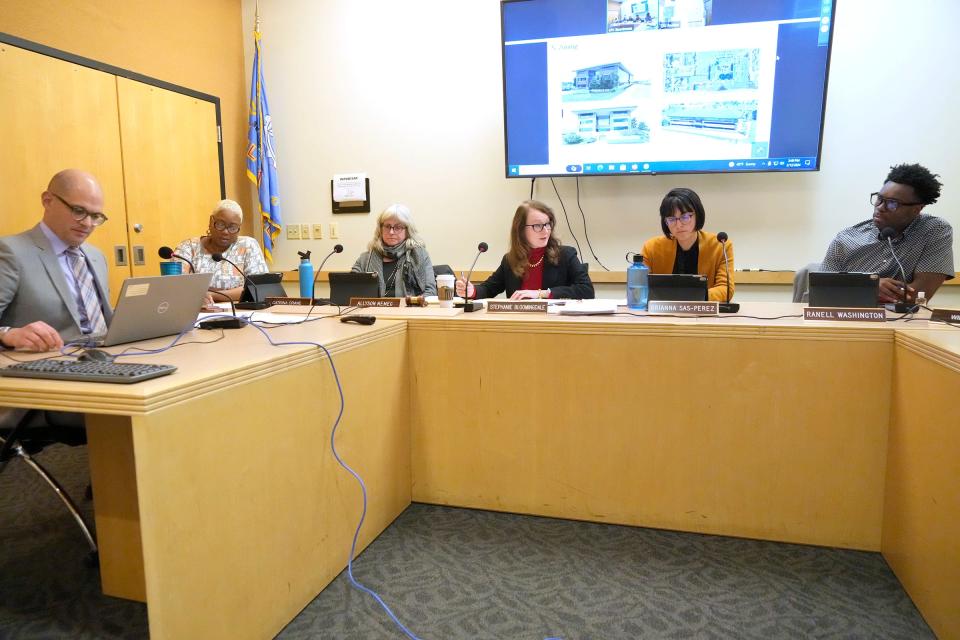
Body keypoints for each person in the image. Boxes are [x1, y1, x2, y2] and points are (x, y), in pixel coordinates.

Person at [0, 169, 112, 352]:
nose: (87, 224)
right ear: (47, 201)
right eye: (78, 211)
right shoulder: (10, 252)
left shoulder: (96, 256)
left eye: (95, 216)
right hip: (51, 364)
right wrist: (9, 334)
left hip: (108, 357)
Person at [820, 163, 953, 303]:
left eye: (892, 203)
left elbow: (919, 294)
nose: (880, 208)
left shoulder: (934, 230)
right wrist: (869, 285)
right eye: (879, 198)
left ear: (917, 209)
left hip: (899, 320)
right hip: (843, 316)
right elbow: (820, 288)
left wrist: (852, 288)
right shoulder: (846, 239)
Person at [456, 200, 594, 300]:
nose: (545, 230)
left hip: (554, 326)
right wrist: (472, 290)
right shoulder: (510, 260)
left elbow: (586, 290)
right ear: (521, 230)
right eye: (538, 226)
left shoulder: (566, 255)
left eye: (547, 224)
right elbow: (488, 289)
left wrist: (542, 293)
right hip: (519, 326)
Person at [641, 187, 734, 302]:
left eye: (685, 217)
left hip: (704, 314)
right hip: (663, 314)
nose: (679, 225)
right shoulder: (651, 248)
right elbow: (641, 288)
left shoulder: (720, 245)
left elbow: (726, 288)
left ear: (697, 215)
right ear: (665, 222)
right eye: (671, 219)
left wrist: (695, 297)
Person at [174, 199, 268, 304]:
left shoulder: (247, 246)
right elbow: (176, 285)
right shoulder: (188, 247)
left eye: (233, 227)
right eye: (220, 224)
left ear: (239, 228)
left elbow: (257, 288)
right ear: (211, 221)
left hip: (239, 312)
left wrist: (213, 295)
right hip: (197, 311)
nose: (225, 232)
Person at [352, 204, 437, 297]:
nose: (391, 232)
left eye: (398, 227)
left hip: (410, 309)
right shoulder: (365, 259)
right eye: (387, 226)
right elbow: (351, 289)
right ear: (380, 229)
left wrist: (411, 304)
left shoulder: (419, 255)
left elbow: (430, 292)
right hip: (372, 310)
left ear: (408, 230)